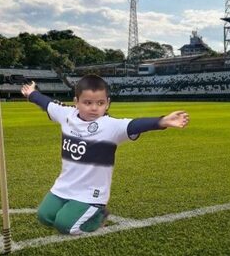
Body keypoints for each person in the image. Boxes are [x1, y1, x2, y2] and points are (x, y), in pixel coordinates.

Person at [20, 74, 190, 235]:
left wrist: (162, 121)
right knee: (45, 217)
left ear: (107, 103)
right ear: (76, 102)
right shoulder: (67, 115)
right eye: (87, 103)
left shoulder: (110, 126)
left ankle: (99, 214)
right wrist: (31, 93)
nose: (94, 108)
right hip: (64, 186)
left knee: (66, 226)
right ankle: (77, 210)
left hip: (90, 192)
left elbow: (135, 125)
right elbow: (46, 103)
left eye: (100, 103)